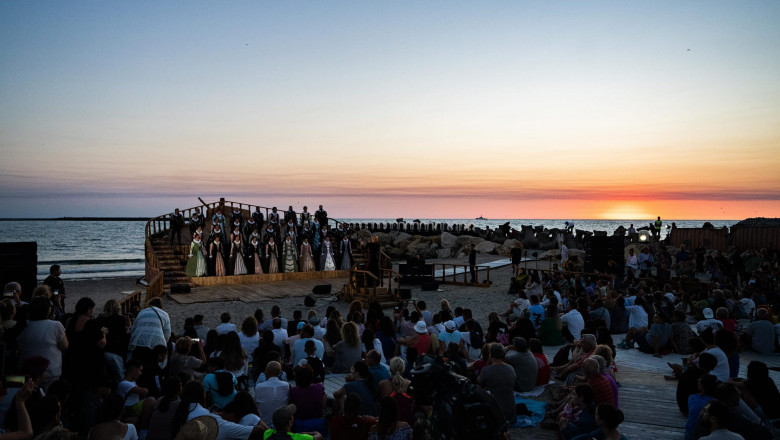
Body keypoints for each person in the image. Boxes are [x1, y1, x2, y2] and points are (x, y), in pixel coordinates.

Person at [16, 297, 68, 391]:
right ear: (49, 311)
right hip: (49, 373)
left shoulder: (21, 325)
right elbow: (64, 345)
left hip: (25, 372)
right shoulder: (55, 325)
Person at [289, 365, 326, 433]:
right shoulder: (320, 387)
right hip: (317, 422)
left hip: (299, 424)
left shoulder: (293, 391)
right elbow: (323, 404)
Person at [254, 361, 291, 427]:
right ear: (279, 372)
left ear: (266, 372)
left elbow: (256, 405)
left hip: (265, 424)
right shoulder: (286, 385)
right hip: (283, 423)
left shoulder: (259, 386)